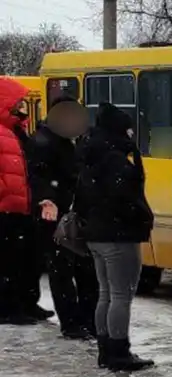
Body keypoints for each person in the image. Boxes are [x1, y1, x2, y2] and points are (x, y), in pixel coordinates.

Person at [74, 103, 155, 371]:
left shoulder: (91, 154)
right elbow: (125, 197)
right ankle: (119, 351)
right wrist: (142, 216)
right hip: (118, 235)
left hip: (96, 234)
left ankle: (105, 349)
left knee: (106, 293)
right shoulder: (115, 159)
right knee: (121, 295)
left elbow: (84, 198)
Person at [26, 95, 98, 339]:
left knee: (84, 270)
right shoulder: (44, 142)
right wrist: (47, 200)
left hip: (76, 213)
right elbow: (36, 176)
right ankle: (71, 323)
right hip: (56, 215)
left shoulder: (73, 139)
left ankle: (87, 320)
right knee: (63, 270)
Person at [0, 77, 57, 325]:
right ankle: (7, 308)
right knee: (7, 261)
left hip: (23, 207)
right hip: (6, 208)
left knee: (27, 258)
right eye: (18, 103)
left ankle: (27, 302)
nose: (22, 107)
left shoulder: (17, 132)